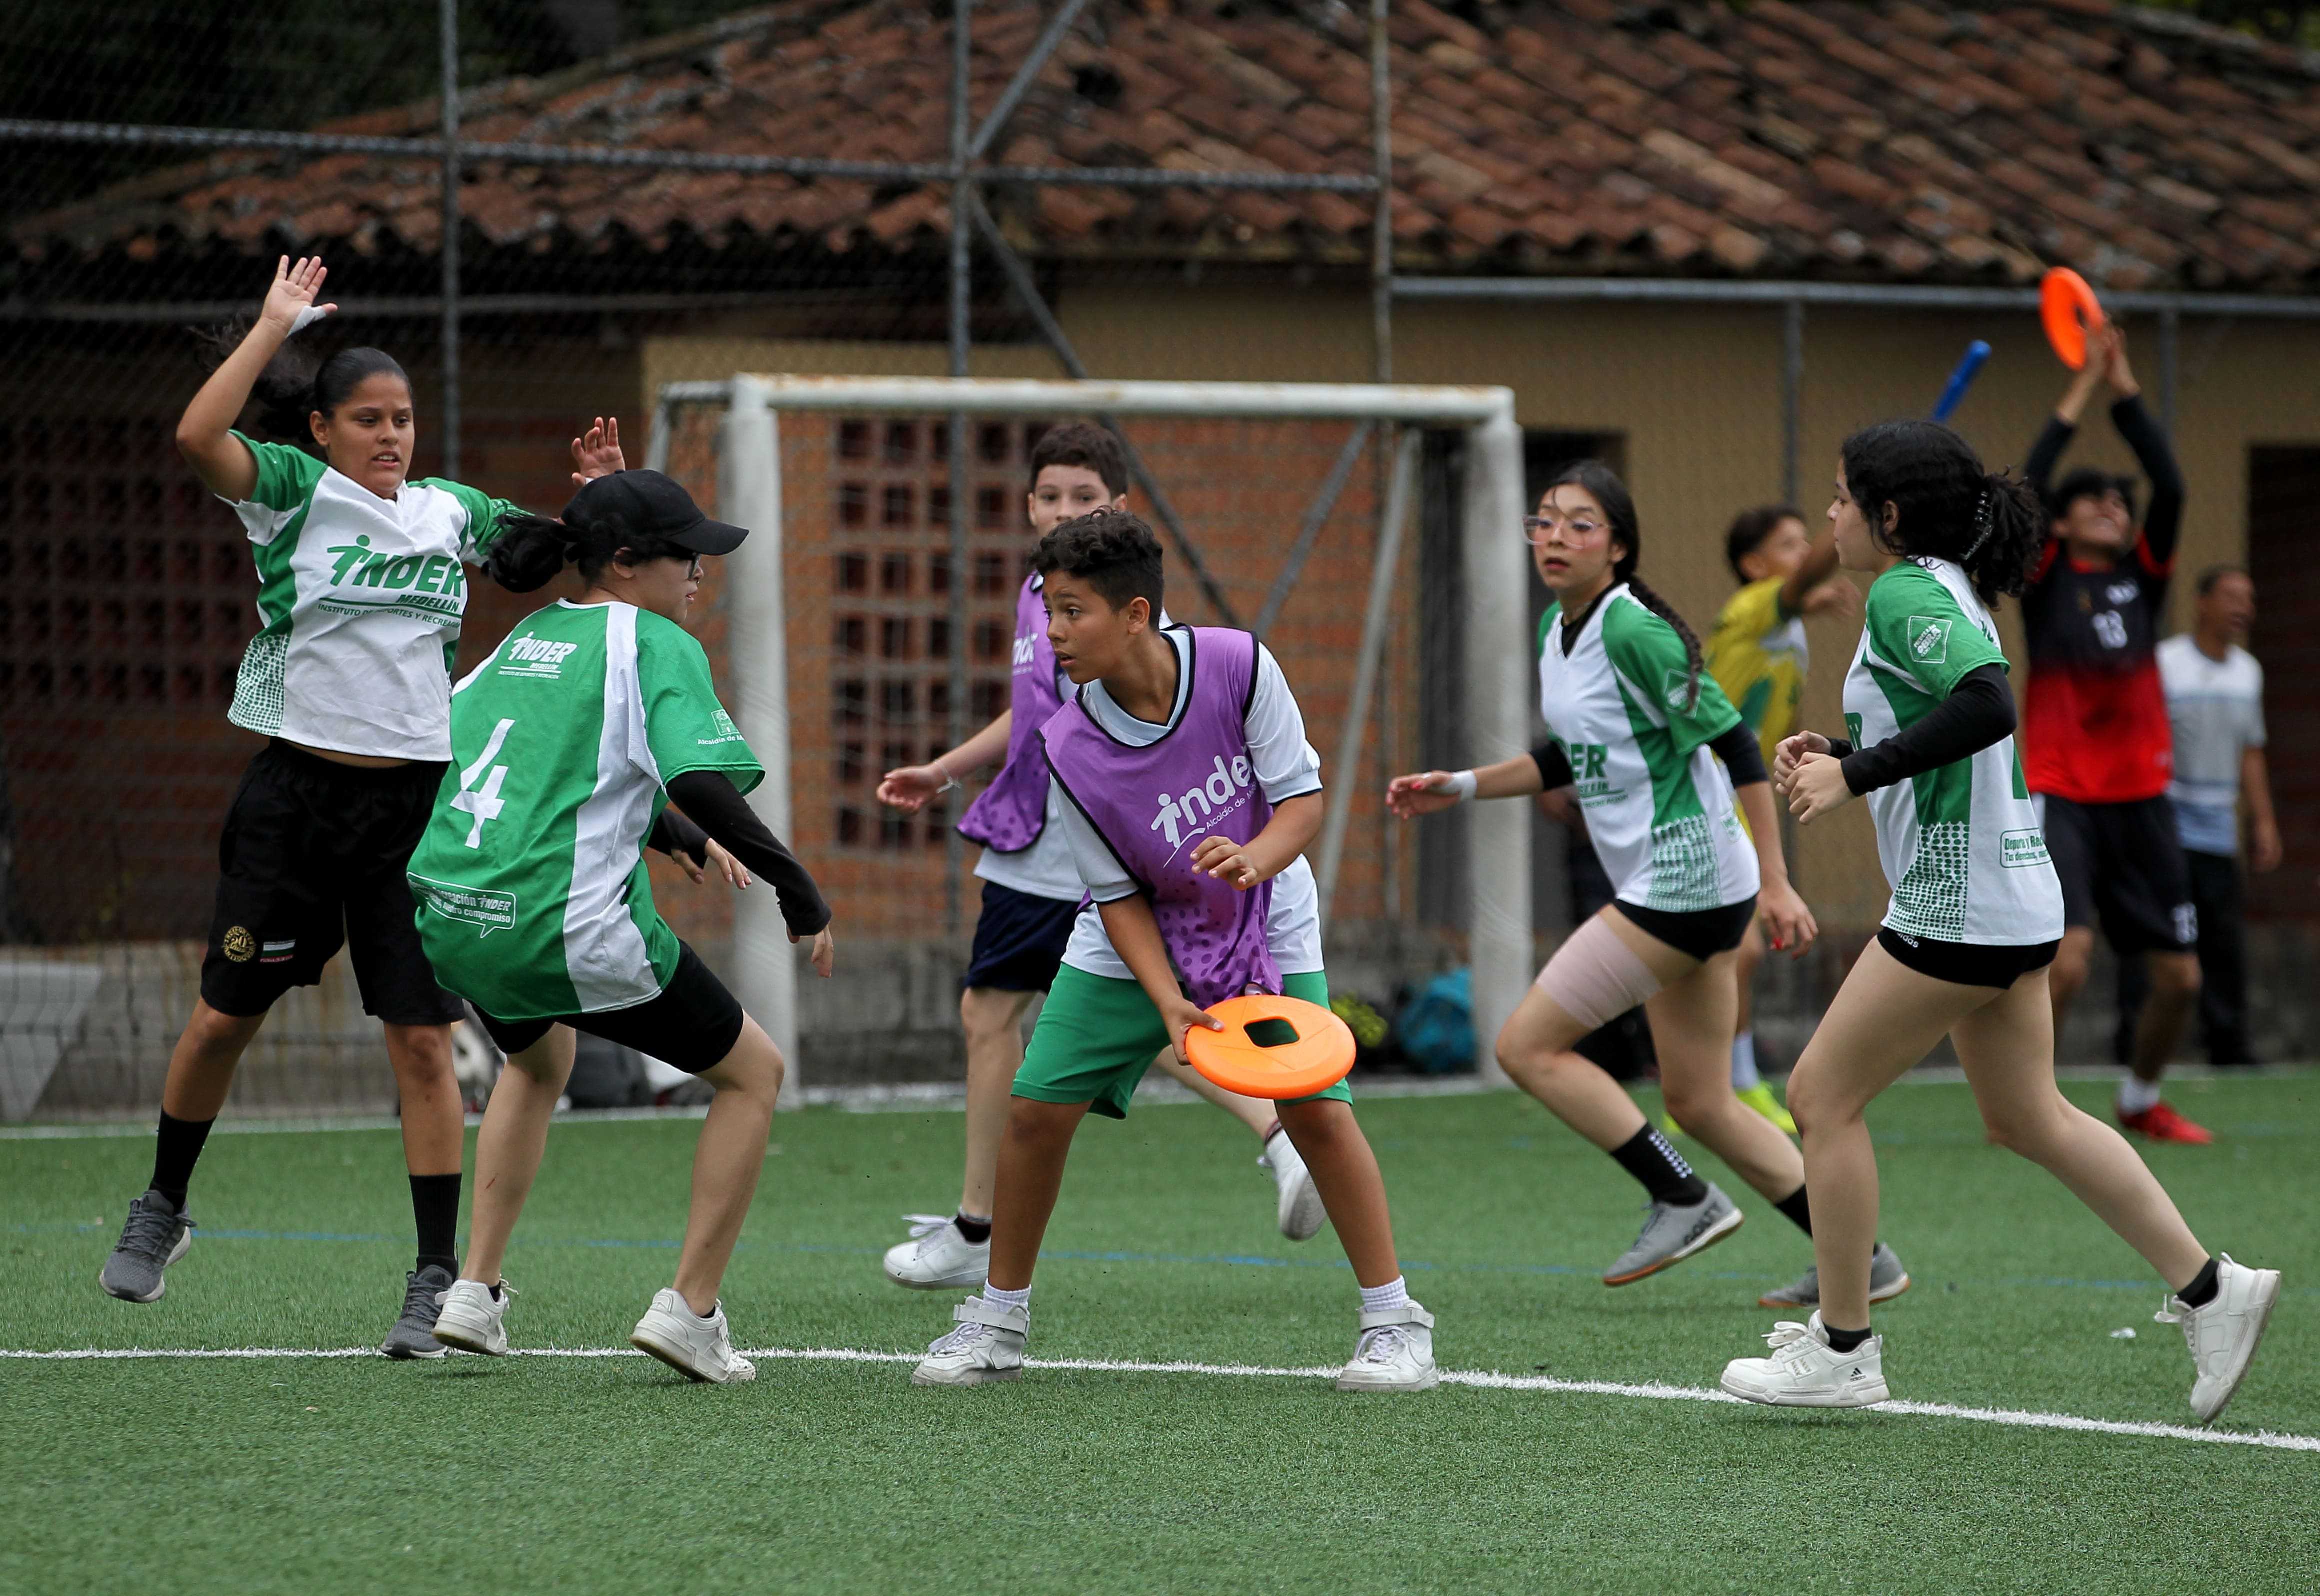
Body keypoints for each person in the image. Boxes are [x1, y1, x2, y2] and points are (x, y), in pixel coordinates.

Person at [98, 256, 625, 1359]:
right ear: (326, 430)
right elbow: (199, 439)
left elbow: (561, 576)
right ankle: (163, 1206)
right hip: (295, 801)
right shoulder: (292, 494)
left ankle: (435, 1280)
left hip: (412, 819)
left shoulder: (450, 514)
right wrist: (272, 324)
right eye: (368, 420)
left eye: (404, 420)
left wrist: (591, 506)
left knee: (424, 1047)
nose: (391, 436)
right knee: (222, 1020)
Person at [1721, 420, 2278, 1422]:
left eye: (1844, 499)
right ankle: (2212, 1291)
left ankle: (1843, 1348)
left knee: (1819, 1097)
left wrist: (1854, 774)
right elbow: (1939, 721)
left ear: (1887, 516)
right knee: (2029, 1116)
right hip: (2010, 891)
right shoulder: (1939, 586)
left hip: (1959, 900)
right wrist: (1850, 743)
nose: (1832, 515)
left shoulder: (1900, 591)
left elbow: (1987, 705)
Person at [910, 510, 1436, 1392]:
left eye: (1073, 611)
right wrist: (1165, 1000)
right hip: (1137, 933)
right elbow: (1114, 894)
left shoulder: (1238, 665)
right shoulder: (1069, 743)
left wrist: (1252, 861)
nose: (1052, 633)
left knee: (1312, 1109)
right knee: (1038, 1110)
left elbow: (1300, 805)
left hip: (1268, 909)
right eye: (1048, 610)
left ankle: (1396, 1323)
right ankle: (997, 1320)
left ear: (1137, 614)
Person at [1388, 464, 1908, 1312]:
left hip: (1688, 876)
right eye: (1545, 522)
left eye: (1581, 524)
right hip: (1684, 879)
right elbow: (1568, 755)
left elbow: (1738, 745)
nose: (1555, 537)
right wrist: (1465, 784)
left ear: (1620, 548)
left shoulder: (1635, 631)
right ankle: (1862, 1256)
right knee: (1700, 1099)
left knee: (1526, 1047)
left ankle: (1682, 1196)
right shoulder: (1563, 633)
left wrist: (1778, 884)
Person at [411, 470, 836, 1384]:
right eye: (688, 556)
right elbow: (699, 775)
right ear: (632, 562)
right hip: (562, 931)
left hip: (453, 918)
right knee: (754, 1073)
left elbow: (530, 775)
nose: (700, 574)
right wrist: (794, 883)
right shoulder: (655, 641)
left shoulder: (528, 636)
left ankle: (472, 1293)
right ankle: (691, 1311)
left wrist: (669, 834)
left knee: (537, 1061)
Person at [875, 424, 1321, 1294]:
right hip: (1034, 829)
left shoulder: (1147, 632)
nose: (1065, 510)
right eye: (1051, 496)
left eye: (1086, 497)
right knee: (1031, 1020)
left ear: (1120, 509)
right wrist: (947, 768)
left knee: (1047, 1017)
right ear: (1028, 504)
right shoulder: (1043, 601)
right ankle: (1273, 1136)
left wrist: (1245, 849)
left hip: (1088, 845)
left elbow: (1094, 737)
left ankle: (982, 1224)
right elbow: (1031, 717)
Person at [2020, 324, 2208, 1142]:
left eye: (2118, 501)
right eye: (2094, 497)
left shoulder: (2144, 575)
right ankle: (2028, 1101)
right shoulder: (2044, 577)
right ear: (2058, 526)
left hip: (2145, 799)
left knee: (2180, 977)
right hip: (2064, 792)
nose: (2114, 505)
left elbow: (2171, 485)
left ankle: (2140, 1096)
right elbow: (2028, 483)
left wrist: (2124, 381)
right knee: (2067, 962)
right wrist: (2082, 388)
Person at [1704, 504, 1858, 1135]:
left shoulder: (1784, 621)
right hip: (1706, 792)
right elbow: (1799, 583)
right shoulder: (1754, 607)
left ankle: (1714, 1088)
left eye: (1805, 541)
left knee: (1727, 952)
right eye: (1789, 544)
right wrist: (1854, 511)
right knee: (1736, 950)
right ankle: (1734, 1087)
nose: (1805, 553)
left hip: (1737, 800)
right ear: (1754, 565)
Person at [2116, 567, 2280, 1066]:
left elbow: (2251, 751)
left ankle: (2227, 1048)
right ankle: (2130, 1046)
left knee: (2222, 942)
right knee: (2154, 938)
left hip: (2216, 830)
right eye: (2231, 596)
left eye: (2248, 599)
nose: (2242, 608)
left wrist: (2262, 821)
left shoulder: (2248, 672)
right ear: (2201, 603)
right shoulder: (2165, 664)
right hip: (2163, 826)